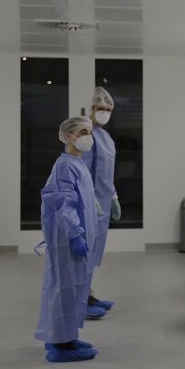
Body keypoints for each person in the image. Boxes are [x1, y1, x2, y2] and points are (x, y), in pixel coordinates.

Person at [35, 116, 99, 362]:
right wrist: (74, 234)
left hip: (78, 239)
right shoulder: (64, 165)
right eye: (83, 131)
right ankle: (59, 345)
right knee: (63, 289)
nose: (88, 136)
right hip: (67, 239)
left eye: (89, 131)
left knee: (74, 290)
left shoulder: (77, 163)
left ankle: (67, 337)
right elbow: (63, 203)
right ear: (69, 136)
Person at [80, 86, 120, 319]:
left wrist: (113, 197)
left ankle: (88, 293)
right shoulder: (86, 135)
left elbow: (107, 174)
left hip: (103, 204)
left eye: (108, 109)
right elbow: (83, 171)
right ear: (91, 109)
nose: (104, 112)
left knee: (94, 252)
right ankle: (81, 301)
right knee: (85, 253)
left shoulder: (107, 138)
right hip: (90, 204)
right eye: (100, 108)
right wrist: (89, 198)